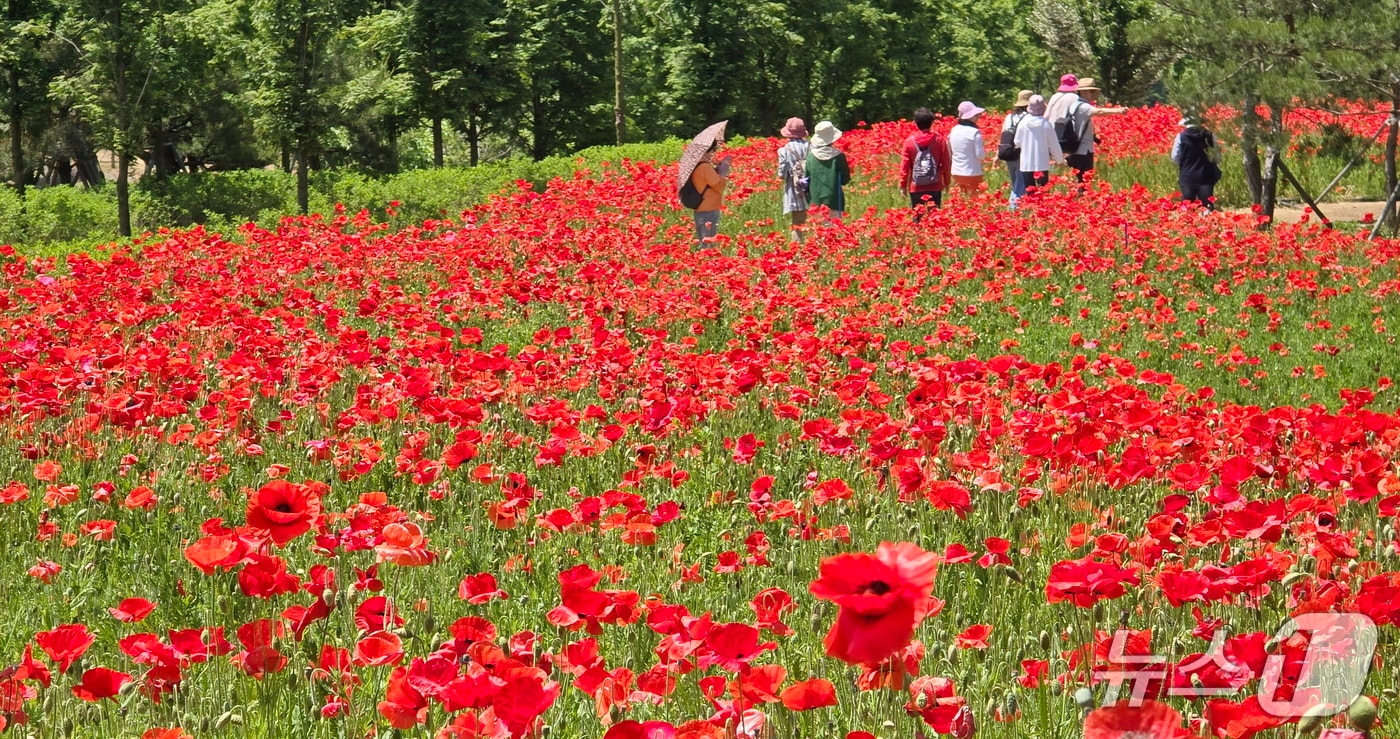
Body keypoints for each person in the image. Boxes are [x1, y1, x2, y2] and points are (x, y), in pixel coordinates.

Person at [1048, 75, 1127, 184]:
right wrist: (1119, 111)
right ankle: (1081, 199)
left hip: (1076, 149)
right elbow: (1099, 112)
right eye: (1091, 91)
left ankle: (1079, 198)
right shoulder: (1083, 107)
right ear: (1083, 92)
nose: (1093, 95)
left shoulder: (1075, 105)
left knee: (1079, 180)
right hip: (1083, 150)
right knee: (1084, 181)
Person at [900, 107, 952, 217]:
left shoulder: (909, 142)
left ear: (916, 123)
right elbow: (946, 164)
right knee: (934, 218)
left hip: (916, 186)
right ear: (931, 123)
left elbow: (904, 166)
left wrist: (903, 186)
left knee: (918, 218)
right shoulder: (939, 140)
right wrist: (947, 183)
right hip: (935, 185)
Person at [1012, 94, 1063, 206]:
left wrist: (1025, 146)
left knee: (1030, 192)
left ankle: (1032, 211)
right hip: (1042, 163)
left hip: (1026, 164)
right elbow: (1054, 144)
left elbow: (1017, 142)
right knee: (1043, 192)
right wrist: (1059, 160)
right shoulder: (1046, 124)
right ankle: (1042, 211)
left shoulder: (1023, 123)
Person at [1172, 116, 1222, 210]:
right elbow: (1217, 156)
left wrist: (1185, 165)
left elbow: (1175, 157)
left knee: (1187, 207)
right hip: (1206, 176)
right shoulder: (1210, 135)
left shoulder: (1181, 136)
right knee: (1207, 206)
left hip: (1187, 176)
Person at [805, 120, 852, 221]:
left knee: (819, 231)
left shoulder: (810, 156)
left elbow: (806, 180)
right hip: (834, 200)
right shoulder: (839, 156)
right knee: (834, 231)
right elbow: (845, 180)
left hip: (815, 200)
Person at [776, 117, 810, 241]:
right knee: (816, 218)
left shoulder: (784, 151)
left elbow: (782, 174)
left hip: (795, 189)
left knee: (798, 221)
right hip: (811, 186)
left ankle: (797, 249)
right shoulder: (811, 147)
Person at [999, 90, 1033, 205]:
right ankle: (1013, 209)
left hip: (1008, 153)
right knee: (1020, 185)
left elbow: (1003, 134)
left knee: (1015, 183)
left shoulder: (1009, 117)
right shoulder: (1028, 117)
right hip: (1021, 154)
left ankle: (1017, 207)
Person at [691, 142, 730, 242]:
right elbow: (719, 186)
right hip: (709, 207)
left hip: (699, 207)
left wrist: (715, 170)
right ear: (705, 151)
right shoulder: (705, 167)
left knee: (702, 239)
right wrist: (723, 173)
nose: (713, 153)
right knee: (709, 242)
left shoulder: (695, 165)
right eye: (712, 150)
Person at [948, 101, 986, 196]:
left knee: (960, 201)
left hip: (956, 172)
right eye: (975, 115)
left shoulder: (954, 130)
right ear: (969, 116)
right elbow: (980, 155)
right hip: (972, 172)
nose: (978, 117)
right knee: (974, 202)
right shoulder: (975, 132)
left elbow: (949, 149)